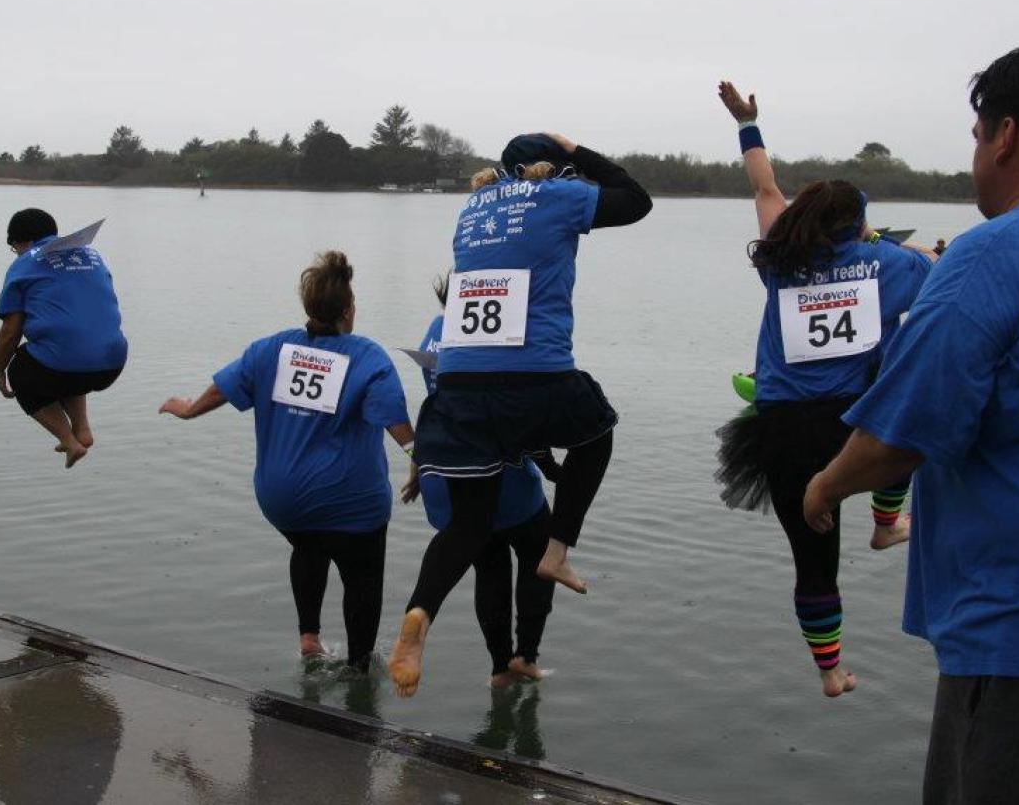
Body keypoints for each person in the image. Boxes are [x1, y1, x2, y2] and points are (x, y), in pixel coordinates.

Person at [804, 45, 1019, 801]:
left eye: (977, 136)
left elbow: (898, 438)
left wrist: (823, 487)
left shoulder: (994, 255)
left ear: (1004, 136)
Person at [387, 133, 653, 697]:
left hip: (460, 388)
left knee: (469, 526)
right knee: (597, 431)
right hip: (535, 376)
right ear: (550, 168)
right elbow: (635, 199)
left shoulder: (472, 208)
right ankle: (557, 553)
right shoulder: (555, 196)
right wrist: (577, 148)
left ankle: (420, 614)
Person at [713, 81, 935, 697]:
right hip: (857, 422)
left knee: (813, 562)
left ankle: (830, 673)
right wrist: (899, 247)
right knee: (911, 424)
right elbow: (939, 271)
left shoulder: (776, 261)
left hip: (782, 429)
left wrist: (747, 125)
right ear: (861, 223)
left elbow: (764, 189)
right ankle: (888, 521)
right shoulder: (893, 265)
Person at [159, 251, 416, 672]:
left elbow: (220, 390)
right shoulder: (367, 357)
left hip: (283, 501)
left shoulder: (271, 349)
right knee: (362, 577)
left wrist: (187, 409)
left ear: (309, 307)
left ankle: (309, 639)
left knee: (308, 545)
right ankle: (357, 669)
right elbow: (395, 422)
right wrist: (419, 460)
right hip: (350, 501)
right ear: (348, 311)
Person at [415, 274, 557, 687]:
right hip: (507, 481)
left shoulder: (433, 333)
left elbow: (434, 405)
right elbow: (523, 415)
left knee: (489, 568)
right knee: (540, 556)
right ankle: (525, 656)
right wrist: (553, 468)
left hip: (453, 481)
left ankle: (499, 667)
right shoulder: (502, 333)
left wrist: (416, 467)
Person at [0, 208, 128, 468]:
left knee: (23, 367)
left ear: (24, 242)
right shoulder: (92, 255)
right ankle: (82, 429)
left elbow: (11, 330)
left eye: (15, 247)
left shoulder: (25, 263)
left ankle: (69, 440)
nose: (17, 253)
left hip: (66, 365)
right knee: (63, 351)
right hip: (112, 362)